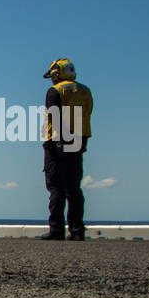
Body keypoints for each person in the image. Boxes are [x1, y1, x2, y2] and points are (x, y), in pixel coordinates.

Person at [39, 58, 93, 240]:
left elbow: (54, 116)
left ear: (57, 73)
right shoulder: (85, 91)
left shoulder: (55, 91)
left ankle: (56, 230)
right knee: (74, 188)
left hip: (56, 142)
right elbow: (88, 114)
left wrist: (60, 142)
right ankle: (77, 231)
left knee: (56, 187)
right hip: (78, 142)